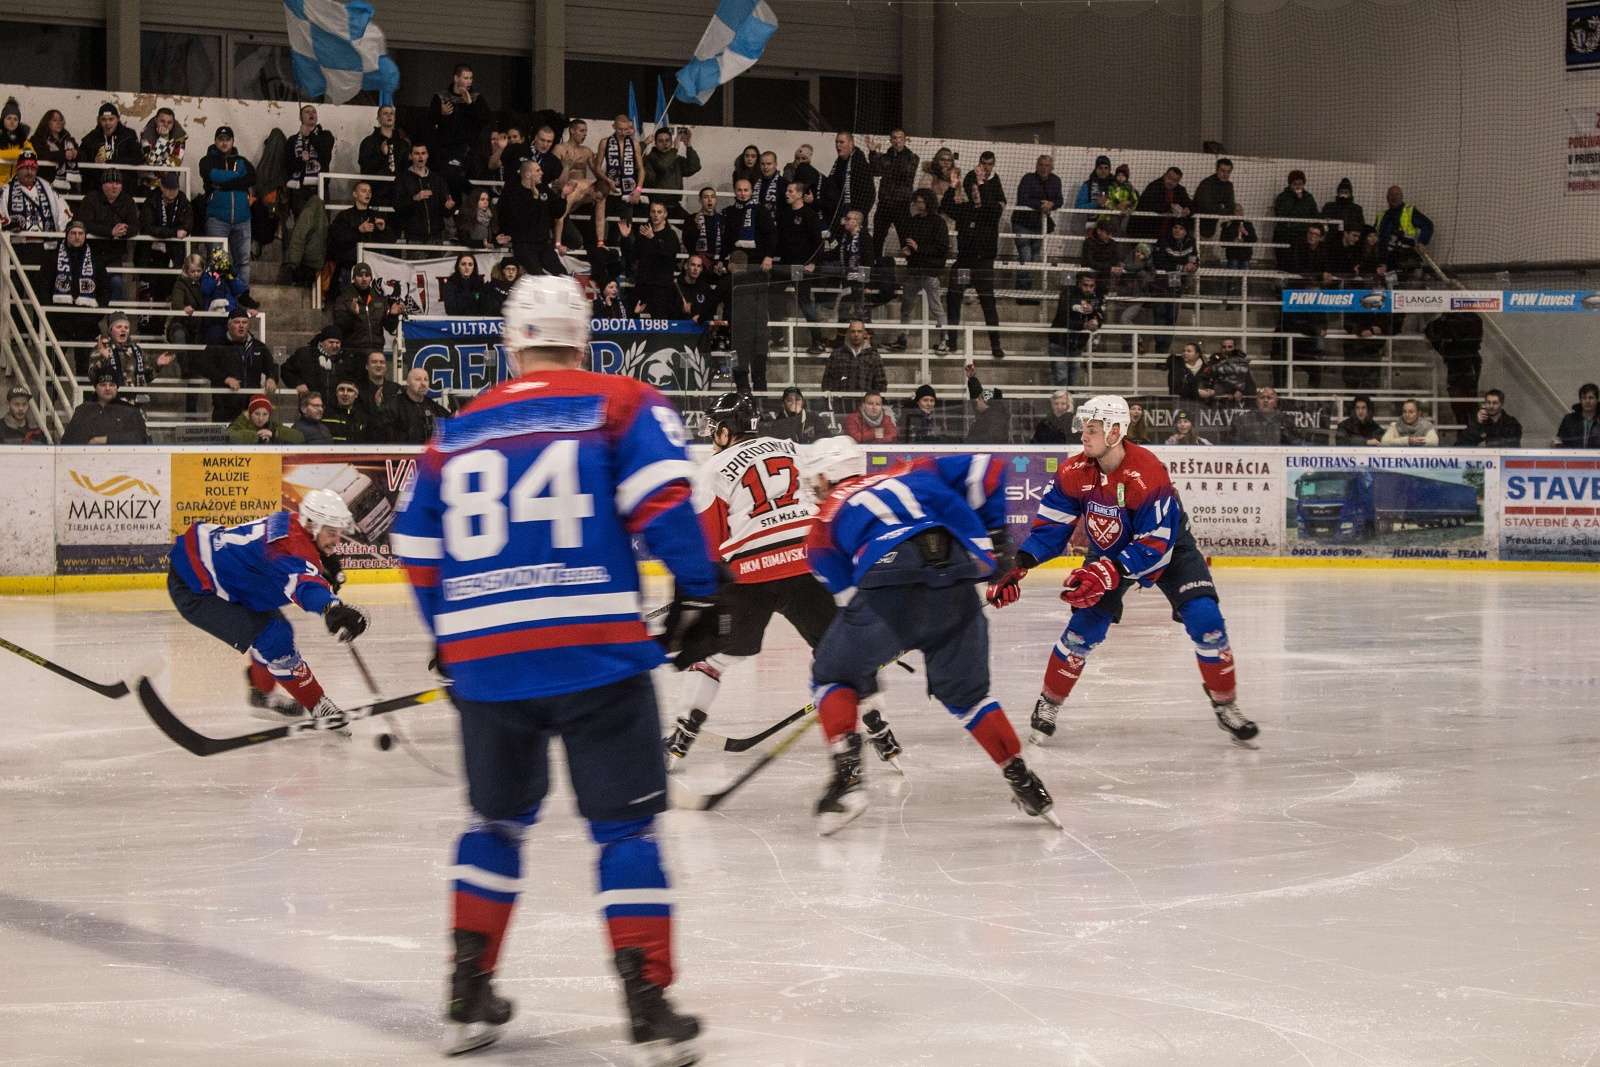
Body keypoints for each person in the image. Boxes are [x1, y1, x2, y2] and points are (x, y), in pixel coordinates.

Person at [390, 273, 723, 1061]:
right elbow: (663, 502)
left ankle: (467, 997)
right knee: (626, 828)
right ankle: (647, 1007)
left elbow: (416, 547)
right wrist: (700, 592)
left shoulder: (453, 433)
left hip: (489, 662)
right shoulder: (623, 402)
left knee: (495, 823)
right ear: (585, 339)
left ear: (511, 345)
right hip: (597, 651)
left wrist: (450, 636)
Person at [803, 435, 1059, 834]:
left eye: (814, 482)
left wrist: (878, 652)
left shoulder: (821, 527)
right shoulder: (912, 470)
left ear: (825, 476)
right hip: (958, 578)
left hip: (887, 584)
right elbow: (989, 468)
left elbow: (852, 607)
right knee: (970, 698)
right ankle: (1027, 785)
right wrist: (998, 542)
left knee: (830, 674)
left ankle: (848, 783)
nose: (814, 490)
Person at [986, 394, 1258, 748]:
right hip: (1108, 552)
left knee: (1206, 620)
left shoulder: (1148, 472)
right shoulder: (1073, 472)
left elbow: (1155, 544)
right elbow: (1051, 528)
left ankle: (1225, 704)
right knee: (1082, 631)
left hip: (1170, 549)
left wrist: (1110, 571)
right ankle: (1049, 701)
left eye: (1092, 429)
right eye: (1084, 428)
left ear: (1115, 432)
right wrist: (1020, 564)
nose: (1084, 435)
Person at [669, 394, 904, 771]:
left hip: (751, 572)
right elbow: (827, 498)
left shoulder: (712, 468)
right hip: (808, 561)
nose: (713, 436)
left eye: (716, 429)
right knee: (841, 652)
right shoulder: (794, 448)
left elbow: (710, 544)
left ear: (727, 431)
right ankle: (880, 729)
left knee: (714, 657)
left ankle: (681, 738)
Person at [169, 487, 366, 729]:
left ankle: (261, 695)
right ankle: (318, 706)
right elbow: (304, 584)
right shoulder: (291, 550)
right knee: (274, 637)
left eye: (339, 533)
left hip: (216, 569)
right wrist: (332, 607)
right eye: (332, 532)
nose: (337, 540)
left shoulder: (292, 521)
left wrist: (323, 562)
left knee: (277, 630)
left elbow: (300, 559)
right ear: (313, 525)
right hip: (196, 588)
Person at [942, 152, 1006, 358]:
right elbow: (945, 206)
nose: (976, 192)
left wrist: (982, 183)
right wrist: (952, 186)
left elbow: (992, 204)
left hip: (983, 264)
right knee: (953, 296)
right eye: (973, 189)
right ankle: (952, 342)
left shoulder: (992, 210)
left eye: (979, 189)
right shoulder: (965, 209)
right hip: (964, 263)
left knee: (988, 303)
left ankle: (995, 345)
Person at [892, 189, 950, 354]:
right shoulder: (914, 221)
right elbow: (910, 244)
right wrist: (908, 250)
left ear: (928, 203)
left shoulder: (938, 222)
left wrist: (919, 248)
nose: (917, 204)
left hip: (930, 272)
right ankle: (902, 339)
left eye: (920, 201)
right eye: (916, 201)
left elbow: (941, 248)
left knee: (936, 307)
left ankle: (944, 341)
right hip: (914, 271)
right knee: (906, 307)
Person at [202, 127, 256, 287]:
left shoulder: (243, 161)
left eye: (227, 139)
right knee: (218, 261)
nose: (224, 143)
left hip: (242, 219)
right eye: (221, 139)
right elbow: (211, 175)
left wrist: (223, 184)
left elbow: (252, 178)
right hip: (217, 220)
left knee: (243, 262)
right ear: (215, 141)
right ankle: (219, 295)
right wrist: (238, 177)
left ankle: (242, 294)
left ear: (233, 141)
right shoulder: (206, 161)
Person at [495, 159, 566, 277]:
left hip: (543, 243)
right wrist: (534, 198)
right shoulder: (512, 192)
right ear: (528, 174)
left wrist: (563, 196)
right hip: (523, 244)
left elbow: (557, 213)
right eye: (538, 170)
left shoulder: (544, 189)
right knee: (538, 275)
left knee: (562, 275)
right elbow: (519, 219)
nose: (542, 173)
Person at [428, 64, 489, 202]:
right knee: (446, 178)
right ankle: (475, 197)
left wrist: (470, 105)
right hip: (444, 149)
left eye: (471, 78)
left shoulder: (476, 98)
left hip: (467, 149)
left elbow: (484, 121)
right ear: (456, 78)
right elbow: (429, 122)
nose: (469, 81)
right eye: (465, 78)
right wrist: (440, 113)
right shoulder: (441, 97)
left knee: (452, 174)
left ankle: (477, 196)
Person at [203, 308, 275, 424]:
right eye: (237, 322)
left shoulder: (259, 346)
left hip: (251, 410)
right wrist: (225, 379)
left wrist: (271, 377)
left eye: (244, 322)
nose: (241, 326)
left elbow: (271, 365)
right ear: (229, 325)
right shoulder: (217, 344)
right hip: (224, 408)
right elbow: (204, 366)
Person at [617, 202, 681, 319]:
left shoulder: (670, 235)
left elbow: (669, 256)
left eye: (659, 212)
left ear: (665, 214)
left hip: (662, 287)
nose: (656, 215)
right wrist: (625, 238)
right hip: (643, 284)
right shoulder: (643, 234)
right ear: (650, 213)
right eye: (653, 211)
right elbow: (632, 256)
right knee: (633, 317)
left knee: (660, 320)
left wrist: (653, 238)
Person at [1424, 311, 1484, 429]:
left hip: (1466, 362)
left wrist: (1446, 347)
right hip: (1459, 362)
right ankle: (1466, 431)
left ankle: (1469, 432)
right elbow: (1430, 331)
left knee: (1466, 400)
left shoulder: (1467, 318)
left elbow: (1433, 331)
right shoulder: (1449, 318)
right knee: (1460, 401)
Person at [62, 364, 150, 444]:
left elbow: (141, 438)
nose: (107, 388)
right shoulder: (82, 410)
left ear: (116, 388)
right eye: (103, 385)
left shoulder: (130, 411)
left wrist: (105, 440)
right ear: (95, 388)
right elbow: (67, 440)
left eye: (111, 385)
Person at [1013, 154, 1061, 298]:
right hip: (1022, 222)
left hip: (1040, 225)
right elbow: (1022, 199)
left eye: (1047, 165)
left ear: (1052, 167)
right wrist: (1042, 205)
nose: (1044, 168)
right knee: (1026, 255)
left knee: (1034, 257)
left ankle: (1028, 290)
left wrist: (1052, 204)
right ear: (1036, 166)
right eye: (1041, 165)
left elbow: (1059, 200)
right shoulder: (1027, 179)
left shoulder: (1056, 181)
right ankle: (1022, 293)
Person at [866, 129, 918, 262]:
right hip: (885, 204)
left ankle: (912, 265)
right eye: (894, 138)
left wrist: (882, 160)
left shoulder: (912, 157)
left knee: (906, 240)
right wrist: (873, 153)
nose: (897, 141)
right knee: (877, 238)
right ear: (890, 140)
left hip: (902, 205)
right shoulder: (885, 157)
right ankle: (876, 265)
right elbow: (876, 171)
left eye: (900, 138)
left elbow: (904, 172)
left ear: (905, 140)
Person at [326, 180, 387, 293]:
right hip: (349, 267)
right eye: (363, 191)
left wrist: (383, 230)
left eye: (369, 191)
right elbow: (337, 238)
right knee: (347, 299)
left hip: (373, 268)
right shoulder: (344, 216)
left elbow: (388, 242)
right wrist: (358, 230)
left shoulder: (377, 216)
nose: (367, 194)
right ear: (355, 194)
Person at [595, 114, 645, 247]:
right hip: (608, 192)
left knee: (627, 233)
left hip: (627, 193)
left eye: (625, 129)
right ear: (613, 127)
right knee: (597, 224)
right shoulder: (605, 142)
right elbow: (597, 168)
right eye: (619, 129)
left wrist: (638, 190)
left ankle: (626, 258)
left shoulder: (634, 144)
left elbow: (641, 169)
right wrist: (607, 180)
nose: (622, 132)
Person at [1048, 272, 1103, 387]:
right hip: (1059, 342)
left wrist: (1095, 322)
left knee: (1073, 379)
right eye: (1085, 285)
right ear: (1079, 284)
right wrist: (1084, 325)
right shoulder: (1068, 294)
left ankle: (1071, 397)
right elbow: (1064, 318)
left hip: (1077, 345)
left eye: (1091, 286)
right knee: (1061, 378)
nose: (1088, 289)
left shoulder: (1095, 298)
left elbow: (1100, 316)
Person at [333, 263, 403, 354]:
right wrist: (352, 314)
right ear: (353, 278)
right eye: (360, 276)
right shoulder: (343, 298)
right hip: (353, 352)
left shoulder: (379, 298)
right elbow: (340, 327)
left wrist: (392, 315)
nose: (364, 279)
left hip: (376, 351)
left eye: (367, 275)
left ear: (371, 278)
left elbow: (390, 327)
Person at [395, 144, 455, 246]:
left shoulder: (437, 179)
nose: (420, 157)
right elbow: (397, 206)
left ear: (427, 155)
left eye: (423, 153)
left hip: (436, 236)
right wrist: (414, 199)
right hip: (414, 236)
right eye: (416, 153)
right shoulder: (402, 179)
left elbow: (446, 212)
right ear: (410, 156)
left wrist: (448, 207)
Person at [818, 131, 875, 237]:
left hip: (855, 216)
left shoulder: (859, 161)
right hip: (842, 214)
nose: (838, 145)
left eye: (841, 142)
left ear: (851, 144)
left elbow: (869, 192)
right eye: (836, 142)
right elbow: (832, 185)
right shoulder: (839, 161)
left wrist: (860, 214)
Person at [1376, 185, 1433, 279]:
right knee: (1390, 284)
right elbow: (1378, 239)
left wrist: (1422, 242)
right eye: (1391, 195)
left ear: (1401, 196)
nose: (1394, 197)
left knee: (1410, 283)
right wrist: (1381, 261)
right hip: (1388, 260)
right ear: (1387, 198)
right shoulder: (1382, 215)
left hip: (1407, 257)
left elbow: (1427, 225)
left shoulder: (1409, 211)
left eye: (1397, 194)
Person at [357, 104, 410, 206]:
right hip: (376, 193)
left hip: (397, 194)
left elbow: (406, 169)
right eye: (385, 113)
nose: (389, 116)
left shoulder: (403, 144)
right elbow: (365, 168)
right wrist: (381, 155)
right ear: (378, 118)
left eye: (391, 113)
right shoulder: (368, 142)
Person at [281, 326, 350, 402]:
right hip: (309, 402)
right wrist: (298, 383)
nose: (334, 345)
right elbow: (286, 370)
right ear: (321, 343)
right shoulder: (305, 354)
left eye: (337, 343)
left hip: (336, 404)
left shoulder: (344, 358)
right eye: (331, 342)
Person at [385, 367, 451, 444]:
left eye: (426, 380)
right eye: (418, 379)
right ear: (408, 382)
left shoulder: (431, 405)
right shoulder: (394, 405)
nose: (423, 384)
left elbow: (451, 420)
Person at [821, 320, 887, 397]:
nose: (856, 334)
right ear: (848, 334)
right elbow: (827, 381)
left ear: (864, 334)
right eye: (853, 331)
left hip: (864, 402)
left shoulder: (874, 356)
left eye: (859, 331)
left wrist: (872, 401)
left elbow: (881, 384)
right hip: (841, 402)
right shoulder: (836, 354)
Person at [1270, 170, 1320, 269]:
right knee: (1285, 264)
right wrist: (1296, 199)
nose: (1298, 186)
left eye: (1300, 184)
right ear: (1290, 184)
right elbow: (1281, 214)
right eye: (1295, 184)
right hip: (1286, 235)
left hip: (1303, 235)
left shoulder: (1308, 198)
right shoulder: (1282, 197)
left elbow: (1315, 214)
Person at [78, 102, 141, 169]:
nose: (107, 123)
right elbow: (79, 157)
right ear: (98, 120)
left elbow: (138, 158)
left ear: (118, 119)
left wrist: (110, 161)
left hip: (123, 175)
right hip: (99, 175)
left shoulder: (129, 135)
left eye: (111, 119)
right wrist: (94, 160)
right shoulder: (92, 137)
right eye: (103, 119)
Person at [1229, 387, 1299, 445]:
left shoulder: (1285, 420)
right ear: (1257, 402)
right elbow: (1234, 446)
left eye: (1269, 398)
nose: (1265, 400)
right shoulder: (1243, 420)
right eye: (1262, 398)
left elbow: (1296, 444)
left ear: (1276, 402)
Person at [228, 394, 307, 445]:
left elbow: (299, 437)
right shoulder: (241, 423)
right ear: (250, 413)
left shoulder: (272, 425)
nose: (261, 418)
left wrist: (274, 433)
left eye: (265, 414)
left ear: (269, 415)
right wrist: (256, 437)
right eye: (257, 414)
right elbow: (228, 436)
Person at [1456, 389, 1522, 448]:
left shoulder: (1511, 422)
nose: (1491, 406)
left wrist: (1486, 443)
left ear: (1501, 404)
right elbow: (1461, 443)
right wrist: (1478, 423)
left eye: (1495, 403)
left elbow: (1512, 443)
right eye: (1488, 402)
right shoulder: (1479, 421)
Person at [1190, 158, 1235, 241]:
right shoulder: (1206, 183)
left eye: (1228, 172)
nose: (1225, 174)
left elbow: (1231, 207)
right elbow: (1205, 207)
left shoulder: (1229, 186)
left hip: (1213, 228)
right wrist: (1221, 207)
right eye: (1223, 171)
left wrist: (1218, 208)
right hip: (1196, 226)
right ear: (1216, 170)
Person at [323, 376, 368, 444]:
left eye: (350, 390)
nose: (345, 393)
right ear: (336, 393)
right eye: (341, 389)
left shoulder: (363, 418)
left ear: (356, 395)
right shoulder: (325, 414)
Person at [1554, 383, 1600, 448]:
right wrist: (1556, 444)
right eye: (1584, 398)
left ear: (1597, 400)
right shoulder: (1569, 419)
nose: (1587, 401)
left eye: (1591, 398)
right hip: (1572, 454)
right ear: (1580, 400)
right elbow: (1559, 440)